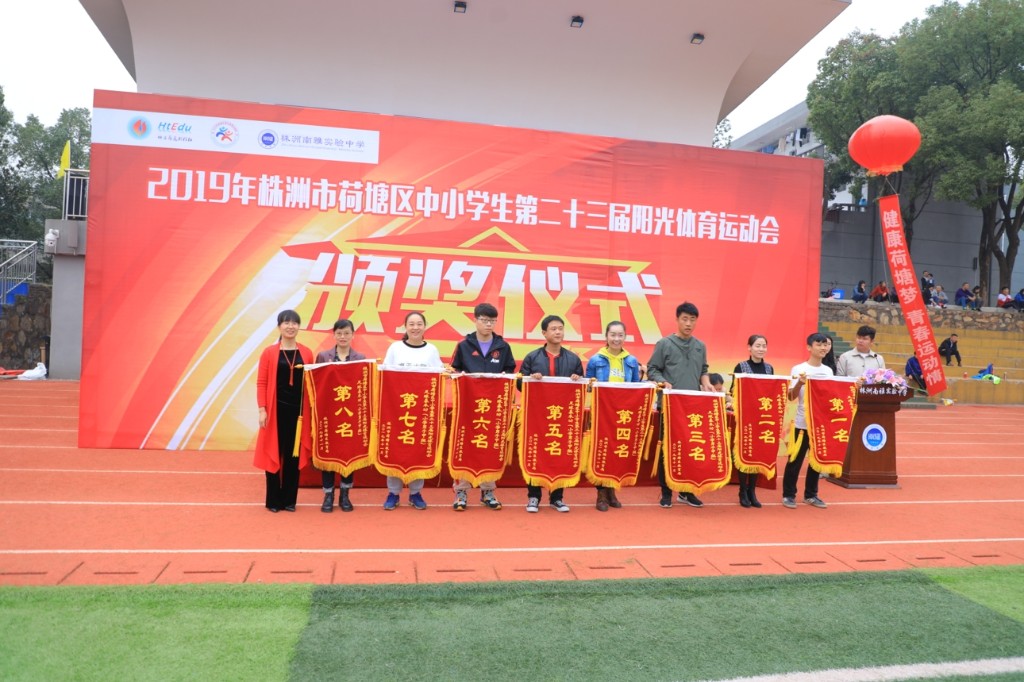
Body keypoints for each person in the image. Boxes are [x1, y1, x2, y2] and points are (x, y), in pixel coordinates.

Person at [449, 302, 516, 512]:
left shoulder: (503, 347)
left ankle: (488, 491)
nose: (488, 324)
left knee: (490, 444)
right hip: (469, 405)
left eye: (492, 321)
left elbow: (510, 371)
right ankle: (461, 491)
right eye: (485, 320)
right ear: (475, 320)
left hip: (493, 406)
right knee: (465, 443)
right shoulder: (464, 345)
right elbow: (454, 369)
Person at [647, 301, 714, 509]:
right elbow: (652, 369)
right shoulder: (664, 344)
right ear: (677, 320)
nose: (688, 323)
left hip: (692, 406)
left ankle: (686, 492)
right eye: (684, 319)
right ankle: (666, 492)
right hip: (669, 405)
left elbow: (703, 370)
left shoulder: (700, 346)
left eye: (692, 320)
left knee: (690, 448)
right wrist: (663, 381)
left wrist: (706, 383)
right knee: (667, 448)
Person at [519, 314, 584, 513]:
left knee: (560, 452)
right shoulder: (532, 357)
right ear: (544, 333)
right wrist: (532, 378)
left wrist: (577, 378)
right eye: (554, 329)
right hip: (537, 416)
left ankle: (557, 498)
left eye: (561, 329)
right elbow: (520, 383)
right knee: (535, 452)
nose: (558, 332)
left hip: (562, 417)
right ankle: (533, 497)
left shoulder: (573, 359)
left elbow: (582, 385)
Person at [381, 311, 445, 510]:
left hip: (421, 411)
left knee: (419, 448)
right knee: (395, 447)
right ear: (405, 327)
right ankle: (393, 493)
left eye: (419, 324)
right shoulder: (395, 348)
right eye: (411, 324)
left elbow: (439, 375)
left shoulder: (431, 350)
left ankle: (415, 493)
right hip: (397, 409)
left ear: (425, 327)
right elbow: (385, 375)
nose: (415, 327)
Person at [254, 309, 314, 513]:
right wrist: (262, 409)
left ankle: (289, 500)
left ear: (299, 326)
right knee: (273, 454)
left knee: (293, 456)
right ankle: (273, 500)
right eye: (286, 323)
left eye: (294, 323)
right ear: (279, 326)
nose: (290, 326)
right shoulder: (269, 353)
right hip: (275, 412)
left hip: (299, 414)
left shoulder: (306, 353)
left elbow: (312, 383)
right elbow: (261, 382)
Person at [585, 320, 644, 511]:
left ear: (625, 337)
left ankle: (611, 490)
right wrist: (591, 384)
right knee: (600, 450)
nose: (616, 339)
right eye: (613, 335)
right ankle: (601, 494)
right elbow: (588, 386)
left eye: (620, 335)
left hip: (622, 414)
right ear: (606, 337)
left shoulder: (631, 361)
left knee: (616, 450)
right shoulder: (596, 360)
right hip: (602, 412)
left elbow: (635, 388)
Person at [314, 319, 366, 513]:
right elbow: (317, 383)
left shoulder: (360, 357)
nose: (343, 337)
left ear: (353, 335)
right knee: (328, 452)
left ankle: (345, 494)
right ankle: (328, 495)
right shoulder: (323, 356)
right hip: (329, 413)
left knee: (348, 454)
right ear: (334, 335)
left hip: (350, 414)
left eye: (346, 333)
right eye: (339, 333)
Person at [783, 332, 834, 510]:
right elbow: (791, 396)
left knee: (816, 460)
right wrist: (800, 383)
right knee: (795, 460)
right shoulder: (798, 369)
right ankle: (788, 495)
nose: (823, 348)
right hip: (802, 423)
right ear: (809, 347)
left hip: (820, 424)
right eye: (819, 344)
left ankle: (811, 495)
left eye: (825, 344)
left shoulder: (828, 371)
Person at [730, 334, 773, 509]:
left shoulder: (769, 368)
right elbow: (734, 390)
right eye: (757, 345)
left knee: (757, 454)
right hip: (746, 416)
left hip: (762, 418)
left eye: (764, 346)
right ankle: (742, 490)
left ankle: (752, 491)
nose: (761, 349)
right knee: (744, 452)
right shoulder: (741, 366)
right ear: (749, 348)